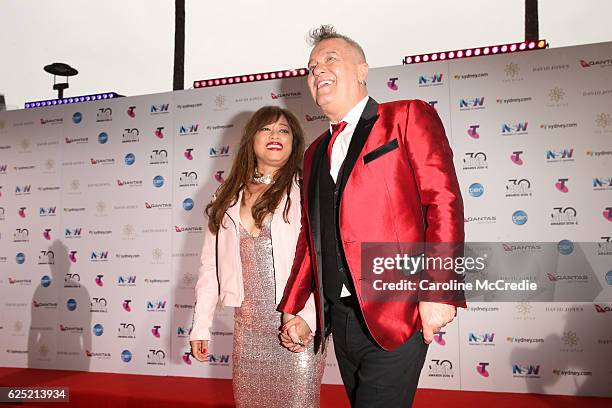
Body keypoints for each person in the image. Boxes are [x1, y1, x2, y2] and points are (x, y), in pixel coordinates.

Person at [279, 25, 465, 407]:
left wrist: (438, 289)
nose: (318, 71)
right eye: (312, 68)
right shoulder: (313, 152)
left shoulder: (407, 116)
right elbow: (311, 238)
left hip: (399, 310)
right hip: (340, 320)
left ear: (362, 70)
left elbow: (442, 202)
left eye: (330, 59)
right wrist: (298, 308)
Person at [190, 106, 326, 407]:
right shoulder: (226, 196)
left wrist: (310, 318)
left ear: (294, 142)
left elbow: (322, 262)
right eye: (266, 129)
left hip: (297, 325)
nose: (275, 135)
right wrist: (201, 324)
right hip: (248, 332)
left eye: (283, 130)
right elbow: (209, 268)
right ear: (252, 139)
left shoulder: (307, 191)